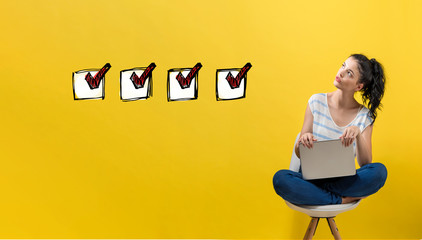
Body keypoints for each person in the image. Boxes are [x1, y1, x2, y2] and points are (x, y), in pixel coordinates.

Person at [273, 54, 388, 205]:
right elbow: (299, 152)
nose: (341, 72)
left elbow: (366, 163)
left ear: (358, 86)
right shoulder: (316, 101)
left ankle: (321, 196)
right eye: (343, 65)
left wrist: (358, 134)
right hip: (310, 179)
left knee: (380, 172)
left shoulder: (365, 116)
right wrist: (303, 140)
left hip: (342, 181)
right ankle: (340, 199)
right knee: (280, 179)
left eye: (349, 73)